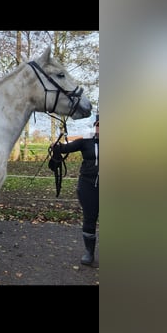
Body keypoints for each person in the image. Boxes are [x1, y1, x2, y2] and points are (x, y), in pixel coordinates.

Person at [51, 114, 99, 266]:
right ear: (95, 126)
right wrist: (57, 146)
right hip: (89, 185)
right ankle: (89, 252)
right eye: (99, 124)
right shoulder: (85, 143)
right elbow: (64, 148)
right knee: (89, 217)